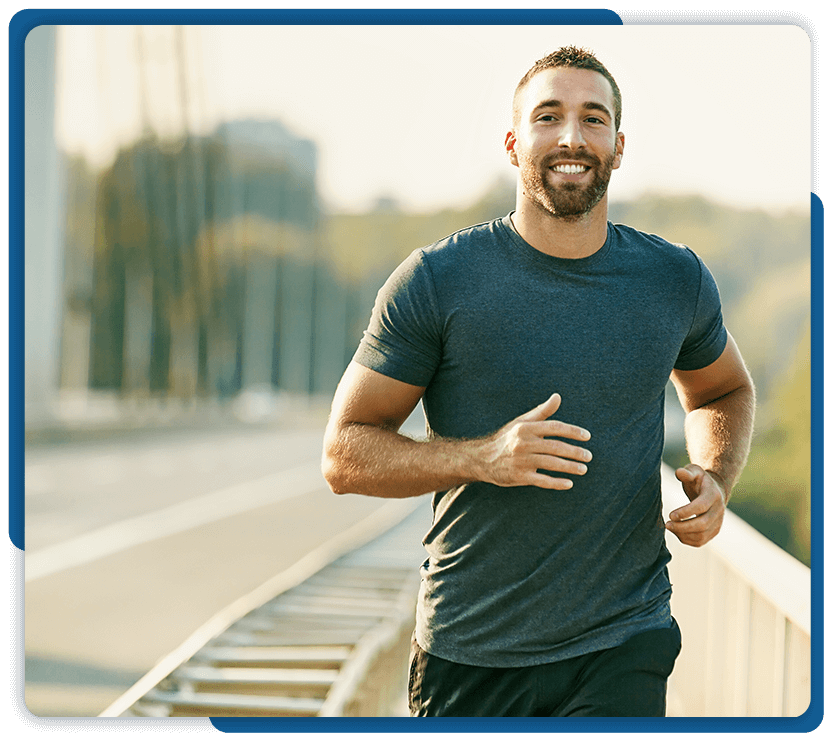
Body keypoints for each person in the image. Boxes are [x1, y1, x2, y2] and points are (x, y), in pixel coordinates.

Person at [321, 46, 755, 717]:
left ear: (617, 144)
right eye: (547, 116)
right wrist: (481, 457)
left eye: (592, 118)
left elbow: (722, 389)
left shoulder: (675, 280)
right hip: (472, 651)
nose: (570, 137)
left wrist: (716, 477)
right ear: (513, 142)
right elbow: (344, 454)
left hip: (624, 640)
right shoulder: (436, 281)